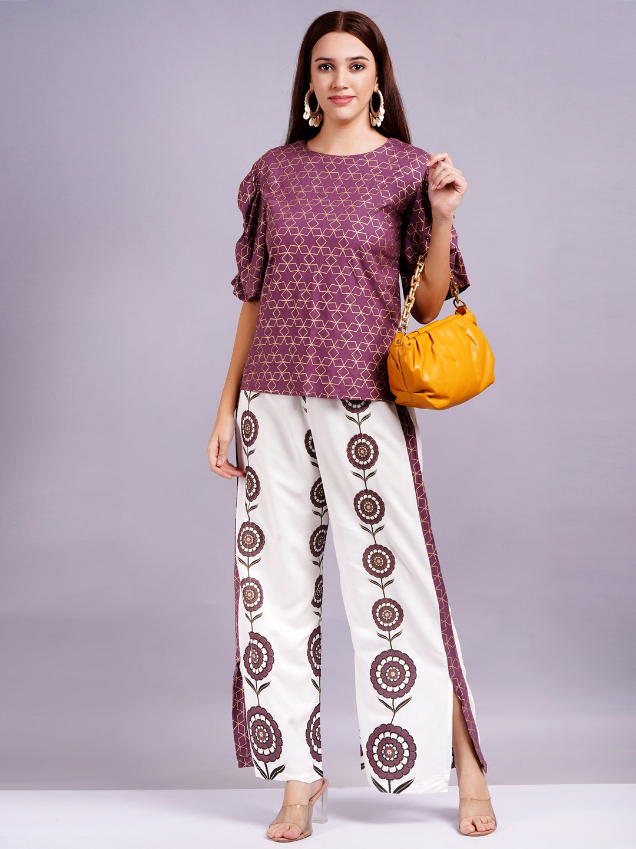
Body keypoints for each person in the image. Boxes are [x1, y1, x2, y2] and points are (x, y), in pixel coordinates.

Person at [207, 10, 497, 841]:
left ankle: (467, 766)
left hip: (364, 399)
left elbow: (431, 304)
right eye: (325, 66)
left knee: (402, 587)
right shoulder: (273, 173)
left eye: (356, 65)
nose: (340, 80)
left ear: (378, 80)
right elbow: (254, 298)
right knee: (272, 594)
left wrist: (443, 216)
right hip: (270, 400)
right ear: (308, 81)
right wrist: (225, 406)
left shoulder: (409, 170)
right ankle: (300, 779)